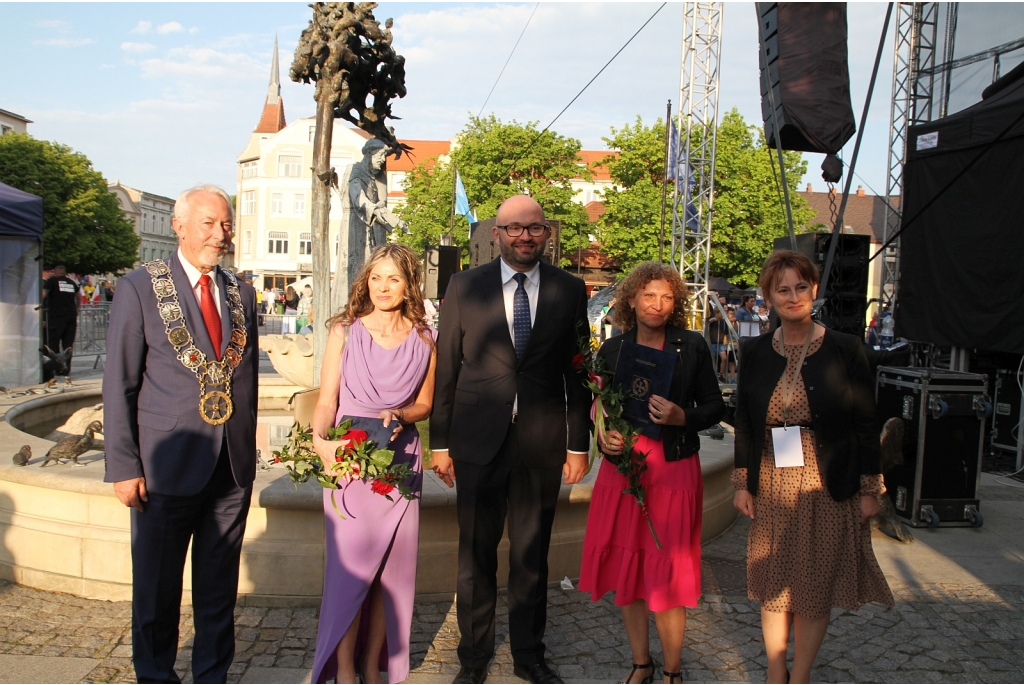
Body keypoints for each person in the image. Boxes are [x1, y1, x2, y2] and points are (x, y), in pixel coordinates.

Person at [430, 195, 591, 685]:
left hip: (540, 445)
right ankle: (473, 660)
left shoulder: (570, 289)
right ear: (496, 233)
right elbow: (447, 370)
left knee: (531, 557)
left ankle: (528, 656)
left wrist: (578, 444)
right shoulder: (463, 287)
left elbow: (579, 373)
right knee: (474, 558)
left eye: (535, 228)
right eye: (515, 228)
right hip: (477, 443)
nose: (525, 236)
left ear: (547, 233)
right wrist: (440, 442)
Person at [103, 185, 260, 682]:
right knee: (156, 590)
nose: (221, 234)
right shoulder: (140, 287)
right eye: (210, 223)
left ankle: (212, 676)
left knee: (218, 591)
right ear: (180, 225)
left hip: (230, 468)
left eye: (227, 224)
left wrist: (249, 454)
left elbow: (249, 380)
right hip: (164, 465)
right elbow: (120, 383)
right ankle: (154, 676)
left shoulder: (241, 291)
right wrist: (124, 465)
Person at [732, 250, 893, 684]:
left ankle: (799, 675)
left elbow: (865, 423)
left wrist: (869, 488)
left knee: (814, 585)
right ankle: (774, 670)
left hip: (826, 482)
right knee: (774, 580)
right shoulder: (755, 351)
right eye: (782, 289)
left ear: (815, 290)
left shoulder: (846, 348)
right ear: (768, 297)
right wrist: (742, 483)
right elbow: (745, 422)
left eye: (801, 286)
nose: (793, 296)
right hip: (772, 481)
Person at [579, 262, 724, 685]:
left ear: (675, 302)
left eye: (665, 297)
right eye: (648, 296)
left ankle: (673, 670)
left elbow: (716, 407)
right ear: (631, 301)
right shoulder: (613, 350)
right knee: (630, 567)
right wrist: (604, 438)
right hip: (625, 473)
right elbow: (600, 412)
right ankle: (642, 662)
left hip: (673, 470)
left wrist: (684, 416)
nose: (657, 305)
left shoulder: (691, 346)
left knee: (667, 571)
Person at [310, 244, 437, 684]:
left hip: (401, 464)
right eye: (376, 277)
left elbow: (426, 404)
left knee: (391, 574)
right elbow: (326, 402)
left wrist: (401, 414)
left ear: (409, 286)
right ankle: (344, 668)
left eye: (394, 279)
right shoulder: (344, 331)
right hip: (349, 463)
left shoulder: (424, 337)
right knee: (349, 575)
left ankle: (372, 664)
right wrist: (318, 440)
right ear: (366, 281)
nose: (383, 287)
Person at [42, 265, 80, 377]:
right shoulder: (71, 282)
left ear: (55, 272)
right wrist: (77, 306)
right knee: (68, 344)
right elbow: (79, 295)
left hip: (57, 315)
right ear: (64, 273)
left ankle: (56, 368)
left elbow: (43, 294)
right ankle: (66, 369)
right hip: (71, 315)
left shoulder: (52, 281)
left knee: (53, 343)